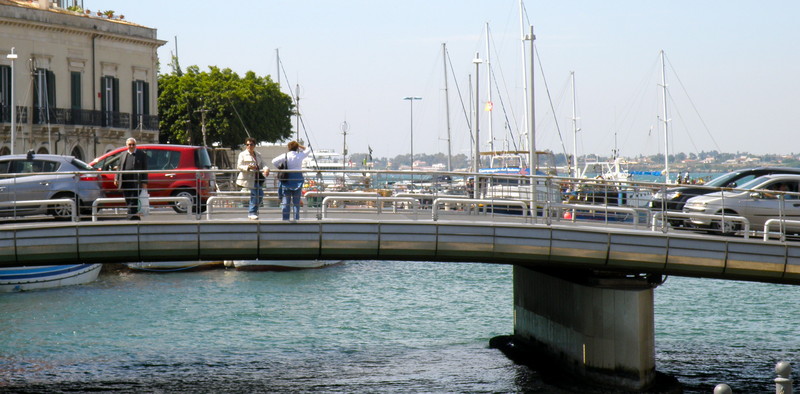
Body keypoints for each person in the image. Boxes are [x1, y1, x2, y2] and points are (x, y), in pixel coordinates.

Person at [272, 141, 310, 221]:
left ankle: (285, 219)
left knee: (286, 201)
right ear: (297, 148)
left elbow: (274, 161)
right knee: (296, 202)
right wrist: (301, 146)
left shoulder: (285, 155)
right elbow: (308, 150)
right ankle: (296, 218)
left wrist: (280, 168)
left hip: (287, 179)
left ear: (288, 148)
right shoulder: (300, 155)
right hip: (298, 179)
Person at [114, 138, 148, 220]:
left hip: (136, 181)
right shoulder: (123, 154)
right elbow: (119, 168)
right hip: (125, 181)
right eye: (130, 144)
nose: (131, 146)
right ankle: (133, 216)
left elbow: (145, 168)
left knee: (134, 199)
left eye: (133, 144)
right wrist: (116, 178)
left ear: (135, 145)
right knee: (128, 199)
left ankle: (131, 216)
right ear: (127, 146)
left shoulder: (141, 154)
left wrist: (144, 182)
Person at [236, 137, 270, 220]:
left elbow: (263, 164)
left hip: (257, 178)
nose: (249, 146)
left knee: (256, 195)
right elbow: (239, 166)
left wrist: (266, 169)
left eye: (251, 144)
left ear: (254, 145)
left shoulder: (258, 154)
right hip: (248, 178)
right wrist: (248, 167)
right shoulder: (242, 154)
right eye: (247, 144)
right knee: (258, 194)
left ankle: (252, 212)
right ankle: (252, 212)